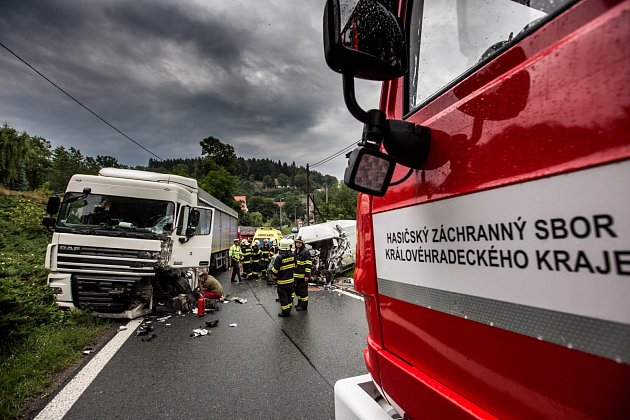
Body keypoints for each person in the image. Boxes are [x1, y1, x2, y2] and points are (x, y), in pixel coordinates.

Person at [271, 238, 296, 317]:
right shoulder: (292, 255)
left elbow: (275, 271)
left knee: (283, 297)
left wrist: (274, 278)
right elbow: (295, 266)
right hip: (291, 281)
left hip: (282, 282)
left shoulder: (279, 258)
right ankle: (289, 308)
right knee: (289, 296)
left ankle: (285, 312)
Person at [293, 236, 312, 311]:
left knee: (303, 291)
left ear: (302, 243)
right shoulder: (295, 251)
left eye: (299, 243)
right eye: (297, 242)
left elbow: (308, 264)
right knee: (298, 290)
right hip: (296, 276)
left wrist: (307, 275)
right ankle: (299, 303)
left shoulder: (306, 252)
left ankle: (304, 306)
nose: (298, 244)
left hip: (303, 276)